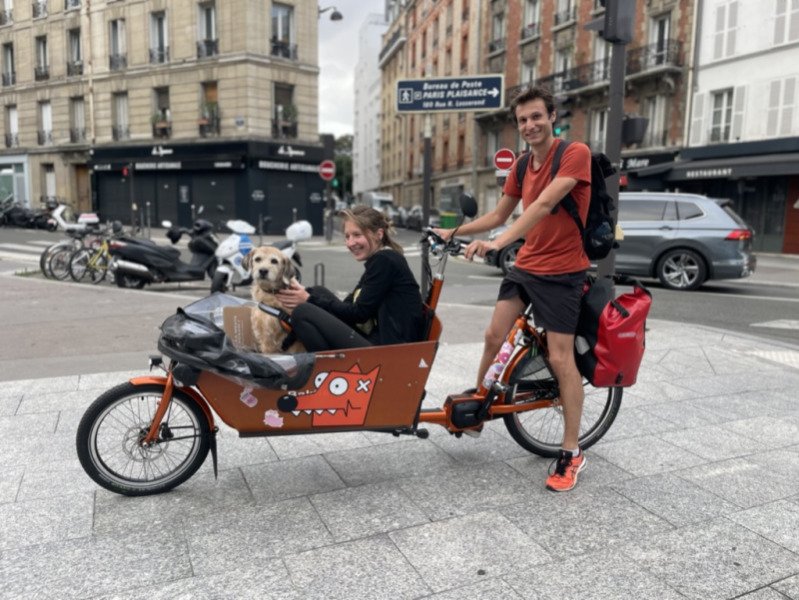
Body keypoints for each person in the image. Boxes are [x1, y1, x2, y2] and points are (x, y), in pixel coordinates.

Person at [436, 85, 592, 493]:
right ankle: (480, 402)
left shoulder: (574, 154)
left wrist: (499, 243)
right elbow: (498, 213)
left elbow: (541, 206)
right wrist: (451, 230)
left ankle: (571, 451)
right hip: (526, 268)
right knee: (492, 334)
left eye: (537, 116)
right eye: (523, 120)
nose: (530, 125)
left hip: (562, 273)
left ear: (552, 116)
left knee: (560, 359)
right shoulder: (522, 165)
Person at [276, 205, 425, 352]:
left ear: (379, 234)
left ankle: (327, 368)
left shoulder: (385, 261)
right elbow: (348, 305)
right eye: (347, 236)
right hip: (381, 340)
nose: (350, 243)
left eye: (357, 235)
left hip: (390, 351)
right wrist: (308, 294)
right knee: (318, 291)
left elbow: (358, 314)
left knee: (303, 312)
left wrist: (309, 299)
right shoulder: (381, 259)